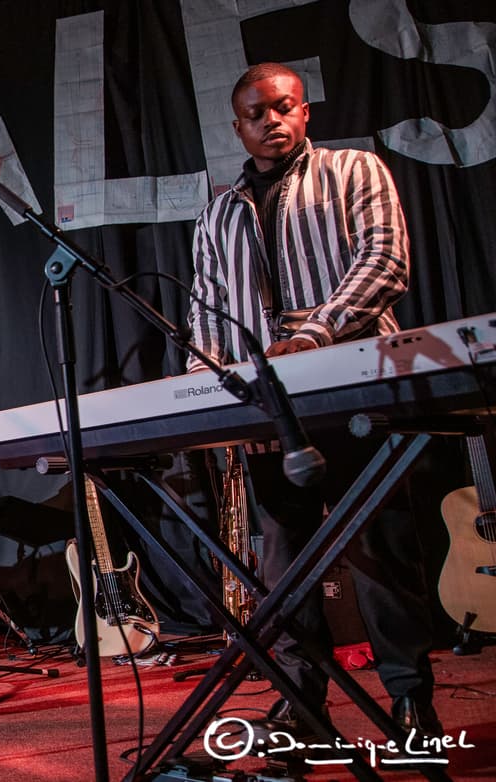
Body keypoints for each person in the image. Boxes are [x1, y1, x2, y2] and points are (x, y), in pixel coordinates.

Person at [185, 63, 442, 745]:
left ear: (304, 112)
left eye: (283, 108)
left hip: (353, 374)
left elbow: (386, 259)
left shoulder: (355, 171)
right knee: (283, 556)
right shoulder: (218, 210)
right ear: (237, 125)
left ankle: (410, 697)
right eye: (255, 114)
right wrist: (203, 386)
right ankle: (300, 700)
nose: (271, 122)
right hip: (265, 399)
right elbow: (205, 309)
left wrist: (315, 333)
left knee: (378, 544)